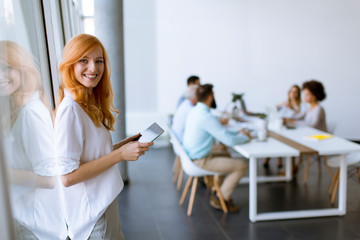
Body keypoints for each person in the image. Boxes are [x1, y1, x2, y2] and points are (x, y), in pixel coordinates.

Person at [54, 34, 153, 240]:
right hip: (94, 216)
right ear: (70, 64)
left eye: (99, 61)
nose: (93, 68)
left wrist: (123, 147)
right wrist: (119, 156)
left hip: (104, 205)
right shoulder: (71, 110)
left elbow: (91, 155)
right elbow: (67, 176)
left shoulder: (85, 103)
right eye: (84, 60)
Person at [0, 41, 66, 239]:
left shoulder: (31, 113)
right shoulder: (20, 108)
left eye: (6, 67)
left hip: (34, 227)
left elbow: (49, 179)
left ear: (22, 68)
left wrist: (4, 174)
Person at [182, 84, 250, 212]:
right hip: (200, 160)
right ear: (210, 97)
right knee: (242, 165)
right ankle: (221, 197)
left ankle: (216, 189)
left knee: (223, 151)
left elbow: (220, 132)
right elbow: (229, 140)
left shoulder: (196, 111)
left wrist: (238, 133)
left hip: (193, 154)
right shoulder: (206, 116)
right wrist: (246, 137)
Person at [264, 85, 305, 169]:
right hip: (282, 125)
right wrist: (282, 105)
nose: (292, 94)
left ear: (298, 94)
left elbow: (301, 117)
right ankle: (268, 157)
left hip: (294, 128)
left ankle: (282, 161)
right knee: (274, 138)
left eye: (295, 92)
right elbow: (274, 110)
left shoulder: (301, 105)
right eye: (291, 91)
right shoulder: (285, 103)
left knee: (282, 140)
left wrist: (293, 109)